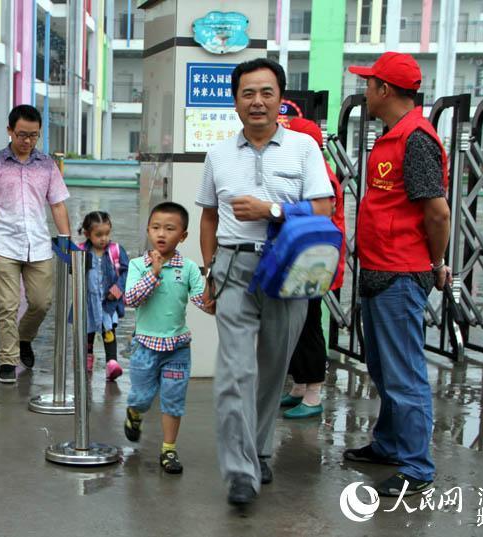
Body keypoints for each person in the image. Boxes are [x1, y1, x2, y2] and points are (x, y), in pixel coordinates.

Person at [196, 58, 334, 506]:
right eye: (247, 93)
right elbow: (209, 216)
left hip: (288, 270)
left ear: (280, 99)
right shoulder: (217, 154)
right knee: (235, 371)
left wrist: (272, 210)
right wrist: (208, 271)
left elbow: (323, 207)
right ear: (235, 101)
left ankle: (257, 449)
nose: (257, 102)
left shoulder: (303, 149)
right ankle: (239, 471)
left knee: (273, 369)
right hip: (234, 268)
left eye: (266, 93)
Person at [343, 52, 452, 497]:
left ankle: (417, 468)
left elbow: (438, 212)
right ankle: (388, 445)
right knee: (384, 367)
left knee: (404, 373)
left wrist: (436, 263)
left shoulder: (415, 140)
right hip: (379, 267)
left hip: (402, 272)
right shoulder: (393, 136)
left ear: (385, 90)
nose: (365, 91)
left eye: (369, 84)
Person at [0, 105, 71, 384]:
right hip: (3, 244)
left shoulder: (47, 165)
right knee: (7, 305)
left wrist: (67, 244)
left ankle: (24, 338)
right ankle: (7, 358)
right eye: (22, 135)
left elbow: (58, 206)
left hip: (38, 245)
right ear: (9, 131)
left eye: (33, 136)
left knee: (41, 303)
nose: (27, 141)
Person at [123, 202, 208, 474]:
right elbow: (132, 299)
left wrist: (216, 297)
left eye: (170, 229)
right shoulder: (138, 265)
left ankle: (168, 449)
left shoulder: (190, 268)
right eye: (156, 227)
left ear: (183, 235)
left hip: (177, 348)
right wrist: (154, 273)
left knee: (173, 400)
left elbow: (202, 300)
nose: (162, 234)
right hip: (144, 347)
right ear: (148, 230)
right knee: (140, 397)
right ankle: (134, 414)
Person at [280, 117, 346, 419]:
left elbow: (319, 217)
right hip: (302, 260)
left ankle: (314, 391)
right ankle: (300, 385)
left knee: (309, 326)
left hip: (314, 262)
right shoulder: (307, 171)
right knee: (295, 324)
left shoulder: (321, 177)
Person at [79, 211, 129, 381]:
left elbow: (125, 271)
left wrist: (116, 290)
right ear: (87, 234)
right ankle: (88, 357)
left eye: (107, 233)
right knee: (88, 331)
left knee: (109, 330)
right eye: (98, 235)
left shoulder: (115, 250)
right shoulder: (81, 251)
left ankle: (111, 363)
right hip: (88, 301)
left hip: (108, 301)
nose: (104, 238)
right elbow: (73, 271)